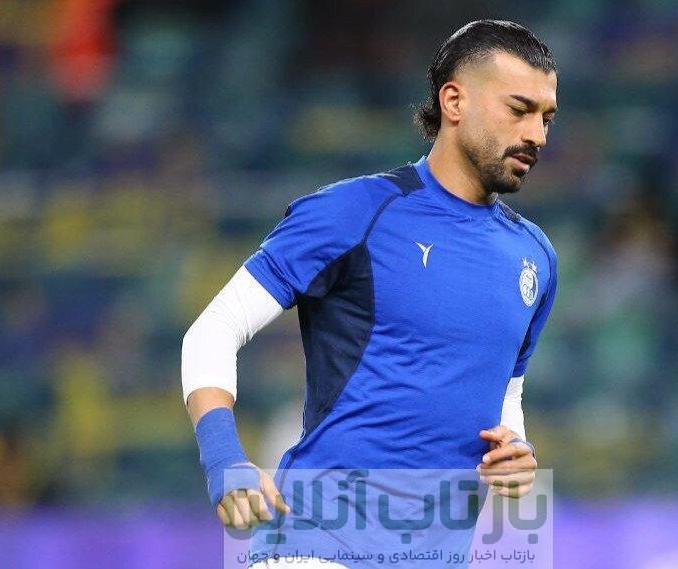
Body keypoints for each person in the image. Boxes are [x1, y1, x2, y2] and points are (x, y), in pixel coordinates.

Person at [182, 19, 559, 568]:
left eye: (547, 118)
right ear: (454, 101)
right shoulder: (355, 212)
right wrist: (224, 458)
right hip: (316, 548)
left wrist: (515, 451)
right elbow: (215, 328)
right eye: (519, 109)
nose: (537, 135)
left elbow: (506, 389)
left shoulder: (535, 257)